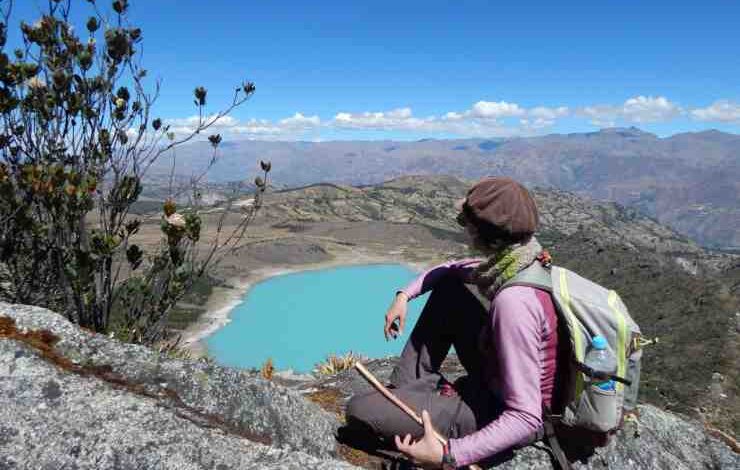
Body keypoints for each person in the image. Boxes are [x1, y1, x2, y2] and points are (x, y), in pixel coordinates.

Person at [345, 176, 561, 469]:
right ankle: (412, 392)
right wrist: (403, 297)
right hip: (497, 376)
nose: (464, 229)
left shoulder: (515, 304)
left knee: (360, 410)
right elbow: (450, 269)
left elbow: (525, 416)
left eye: (466, 223)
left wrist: (448, 455)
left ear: (489, 235)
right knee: (450, 287)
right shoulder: (523, 260)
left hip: (503, 410)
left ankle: (414, 402)